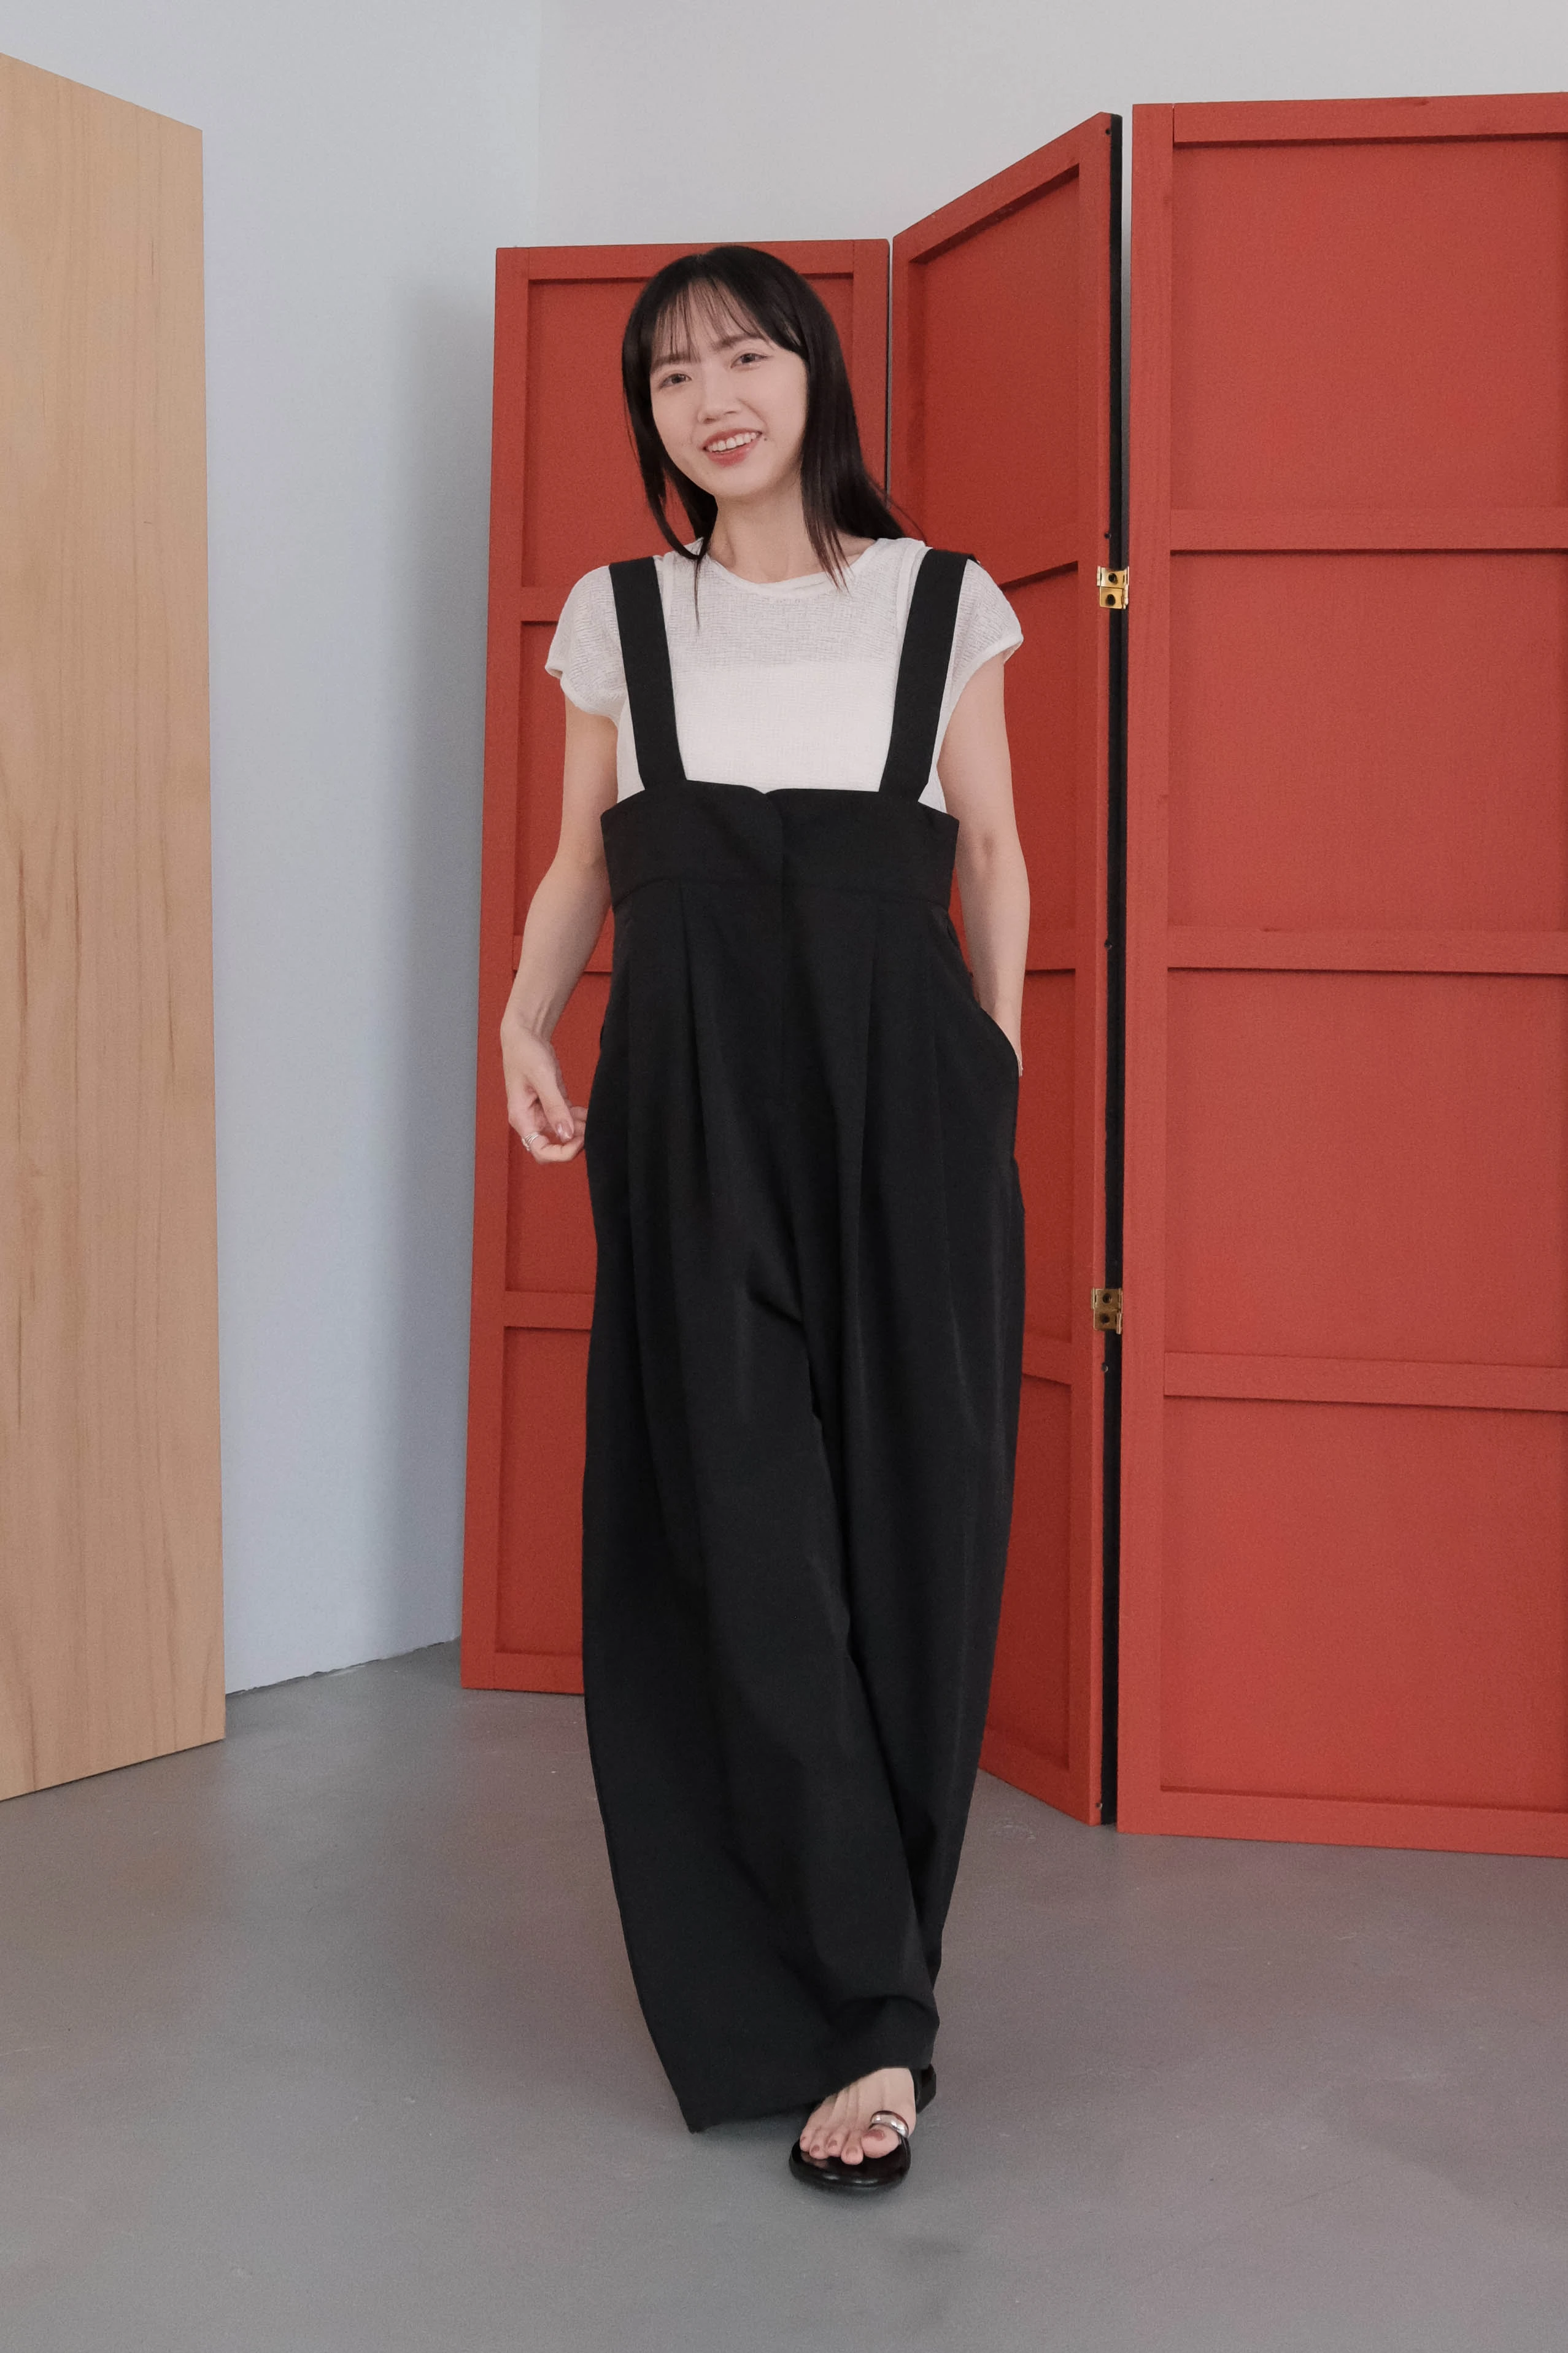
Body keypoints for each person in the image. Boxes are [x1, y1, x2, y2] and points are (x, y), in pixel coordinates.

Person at [499, 245, 1028, 2193]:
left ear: (814, 373)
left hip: (906, 1088)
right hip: (693, 1091)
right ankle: (845, 2002)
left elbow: (994, 845)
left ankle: (880, 1995)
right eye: (669, 377)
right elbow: (584, 857)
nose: (712, 398)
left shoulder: (939, 600)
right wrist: (523, 1017)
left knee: (913, 1527)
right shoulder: (621, 615)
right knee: (736, 1527)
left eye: (743, 356)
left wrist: (989, 1067)